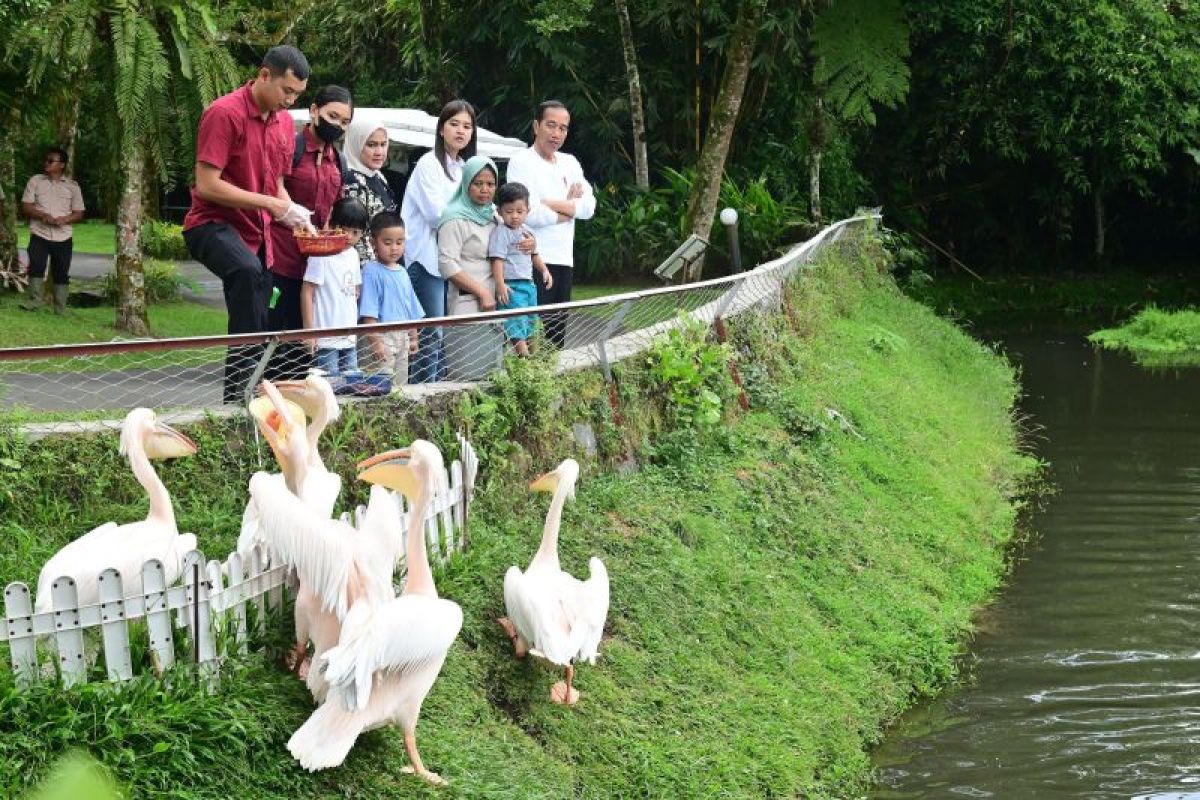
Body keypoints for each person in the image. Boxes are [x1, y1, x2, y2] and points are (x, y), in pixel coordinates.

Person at [183, 45, 317, 404]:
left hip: (258, 235)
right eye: (286, 91)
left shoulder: (286, 124)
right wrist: (272, 204)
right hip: (210, 224)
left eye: (297, 94)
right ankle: (236, 401)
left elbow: (276, 185)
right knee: (246, 272)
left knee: (260, 317)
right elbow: (208, 184)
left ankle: (241, 399)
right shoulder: (224, 113)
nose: (290, 100)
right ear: (263, 75)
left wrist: (295, 216)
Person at [267, 85, 353, 379]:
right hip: (281, 260)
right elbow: (271, 192)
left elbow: (333, 211)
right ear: (314, 111)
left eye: (344, 122)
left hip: (317, 268)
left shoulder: (339, 161)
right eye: (332, 116)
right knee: (275, 339)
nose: (337, 125)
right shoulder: (292, 148)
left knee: (310, 352)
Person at [505, 100, 595, 349]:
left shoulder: (570, 162)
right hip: (532, 259)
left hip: (564, 259)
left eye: (563, 128)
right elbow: (527, 211)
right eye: (551, 125)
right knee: (531, 334)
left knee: (556, 338)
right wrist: (567, 211)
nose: (556, 134)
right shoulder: (521, 161)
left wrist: (552, 203)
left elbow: (589, 207)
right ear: (536, 126)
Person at [401, 99, 476, 383]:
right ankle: (420, 394)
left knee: (443, 334)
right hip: (426, 260)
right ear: (441, 129)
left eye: (467, 126)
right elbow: (437, 215)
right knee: (429, 332)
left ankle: (436, 390)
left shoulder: (465, 167)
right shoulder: (428, 164)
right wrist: (470, 215)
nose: (460, 131)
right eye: (454, 124)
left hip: (453, 262)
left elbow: (483, 208)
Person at [437, 155, 505, 380]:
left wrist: (529, 244)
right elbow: (447, 264)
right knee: (467, 373)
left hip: (494, 305)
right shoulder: (454, 217)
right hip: (468, 302)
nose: (485, 189)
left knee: (493, 373)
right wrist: (482, 291)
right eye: (478, 183)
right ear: (466, 184)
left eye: (490, 184)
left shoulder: (494, 216)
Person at [301, 198, 368, 377]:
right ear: (332, 224)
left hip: (349, 337)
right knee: (328, 386)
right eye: (343, 230)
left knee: (351, 386)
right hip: (326, 338)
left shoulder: (353, 255)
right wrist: (309, 333)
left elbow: (354, 288)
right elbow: (307, 292)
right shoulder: (321, 254)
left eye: (355, 232)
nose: (349, 237)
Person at [358, 211, 424, 384]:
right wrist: (375, 342)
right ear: (373, 243)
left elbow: (411, 309)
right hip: (381, 337)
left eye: (399, 242)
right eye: (387, 243)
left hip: (402, 336)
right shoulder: (371, 272)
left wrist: (414, 337)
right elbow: (369, 315)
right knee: (379, 388)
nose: (394, 248)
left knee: (401, 387)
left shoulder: (403, 272)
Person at [489, 182, 552, 357]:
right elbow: (497, 260)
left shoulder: (528, 232)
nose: (514, 216)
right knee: (516, 322)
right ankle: (524, 360)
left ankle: (536, 357)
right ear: (500, 211)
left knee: (531, 320)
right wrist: (500, 284)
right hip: (512, 287)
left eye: (519, 211)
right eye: (509, 212)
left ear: (527, 210)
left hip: (529, 286)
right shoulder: (501, 233)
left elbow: (534, 255)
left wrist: (544, 270)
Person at [19, 147, 85, 313]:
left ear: (61, 165)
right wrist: (43, 216)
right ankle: (34, 301)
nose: (46, 163)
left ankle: (60, 308)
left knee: (61, 272)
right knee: (36, 267)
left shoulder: (72, 186)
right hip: (39, 234)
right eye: (46, 160)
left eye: (51, 161)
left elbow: (79, 213)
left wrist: (64, 219)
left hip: (63, 237)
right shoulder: (35, 181)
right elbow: (26, 207)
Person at [341, 116, 397, 263]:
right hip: (364, 270)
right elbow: (355, 237)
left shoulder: (378, 176)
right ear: (356, 144)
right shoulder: (352, 182)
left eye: (383, 144)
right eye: (371, 145)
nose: (379, 152)